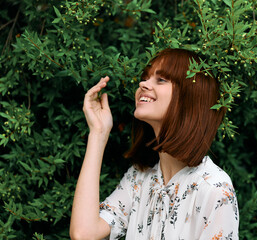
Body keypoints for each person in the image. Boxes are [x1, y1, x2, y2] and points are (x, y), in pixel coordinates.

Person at [70, 48, 239, 240]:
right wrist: (98, 133)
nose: (143, 84)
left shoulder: (214, 189)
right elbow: (83, 233)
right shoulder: (139, 178)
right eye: (146, 77)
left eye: (161, 80)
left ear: (189, 97)